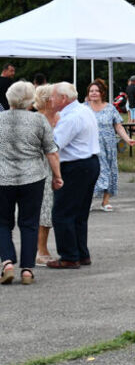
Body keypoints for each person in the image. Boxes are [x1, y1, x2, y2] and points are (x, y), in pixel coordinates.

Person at [0, 82, 63, 284]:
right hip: (33, 178)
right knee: (29, 223)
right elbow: (51, 152)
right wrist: (57, 176)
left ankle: (7, 262)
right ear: (30, 100)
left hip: (3, 178)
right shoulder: (38, 120)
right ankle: (27, 269)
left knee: (2, 222)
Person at [46, 82, 101, 269]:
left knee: (62, 213)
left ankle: (69, 256)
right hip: (89, 162)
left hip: (75, 166)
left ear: (63, 98)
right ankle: (81, 253)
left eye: (53, 96)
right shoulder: (84, 110)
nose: (50, 99)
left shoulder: (70, 117)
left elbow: (54, 145)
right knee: (79, 213)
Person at [86, 80, 135, 211]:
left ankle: (105, 201)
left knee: (109, 171)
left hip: (108, 146)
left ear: (102, 92)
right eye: (91, 91)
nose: (94, 93)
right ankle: (87, 201)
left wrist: (127, 139)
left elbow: (118, 126)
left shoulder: (110, 108)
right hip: (89, 147)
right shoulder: (83, 108)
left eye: (96, 91)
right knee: (90, 173)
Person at [32, 85, 59, 263]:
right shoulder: (35, 119)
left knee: (50, 209)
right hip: (39, 168)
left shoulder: (59, 117)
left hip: (56, 167)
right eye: (54, 96)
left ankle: (43, 248)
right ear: (47, 100)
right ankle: (39, 251)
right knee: (42, 209)